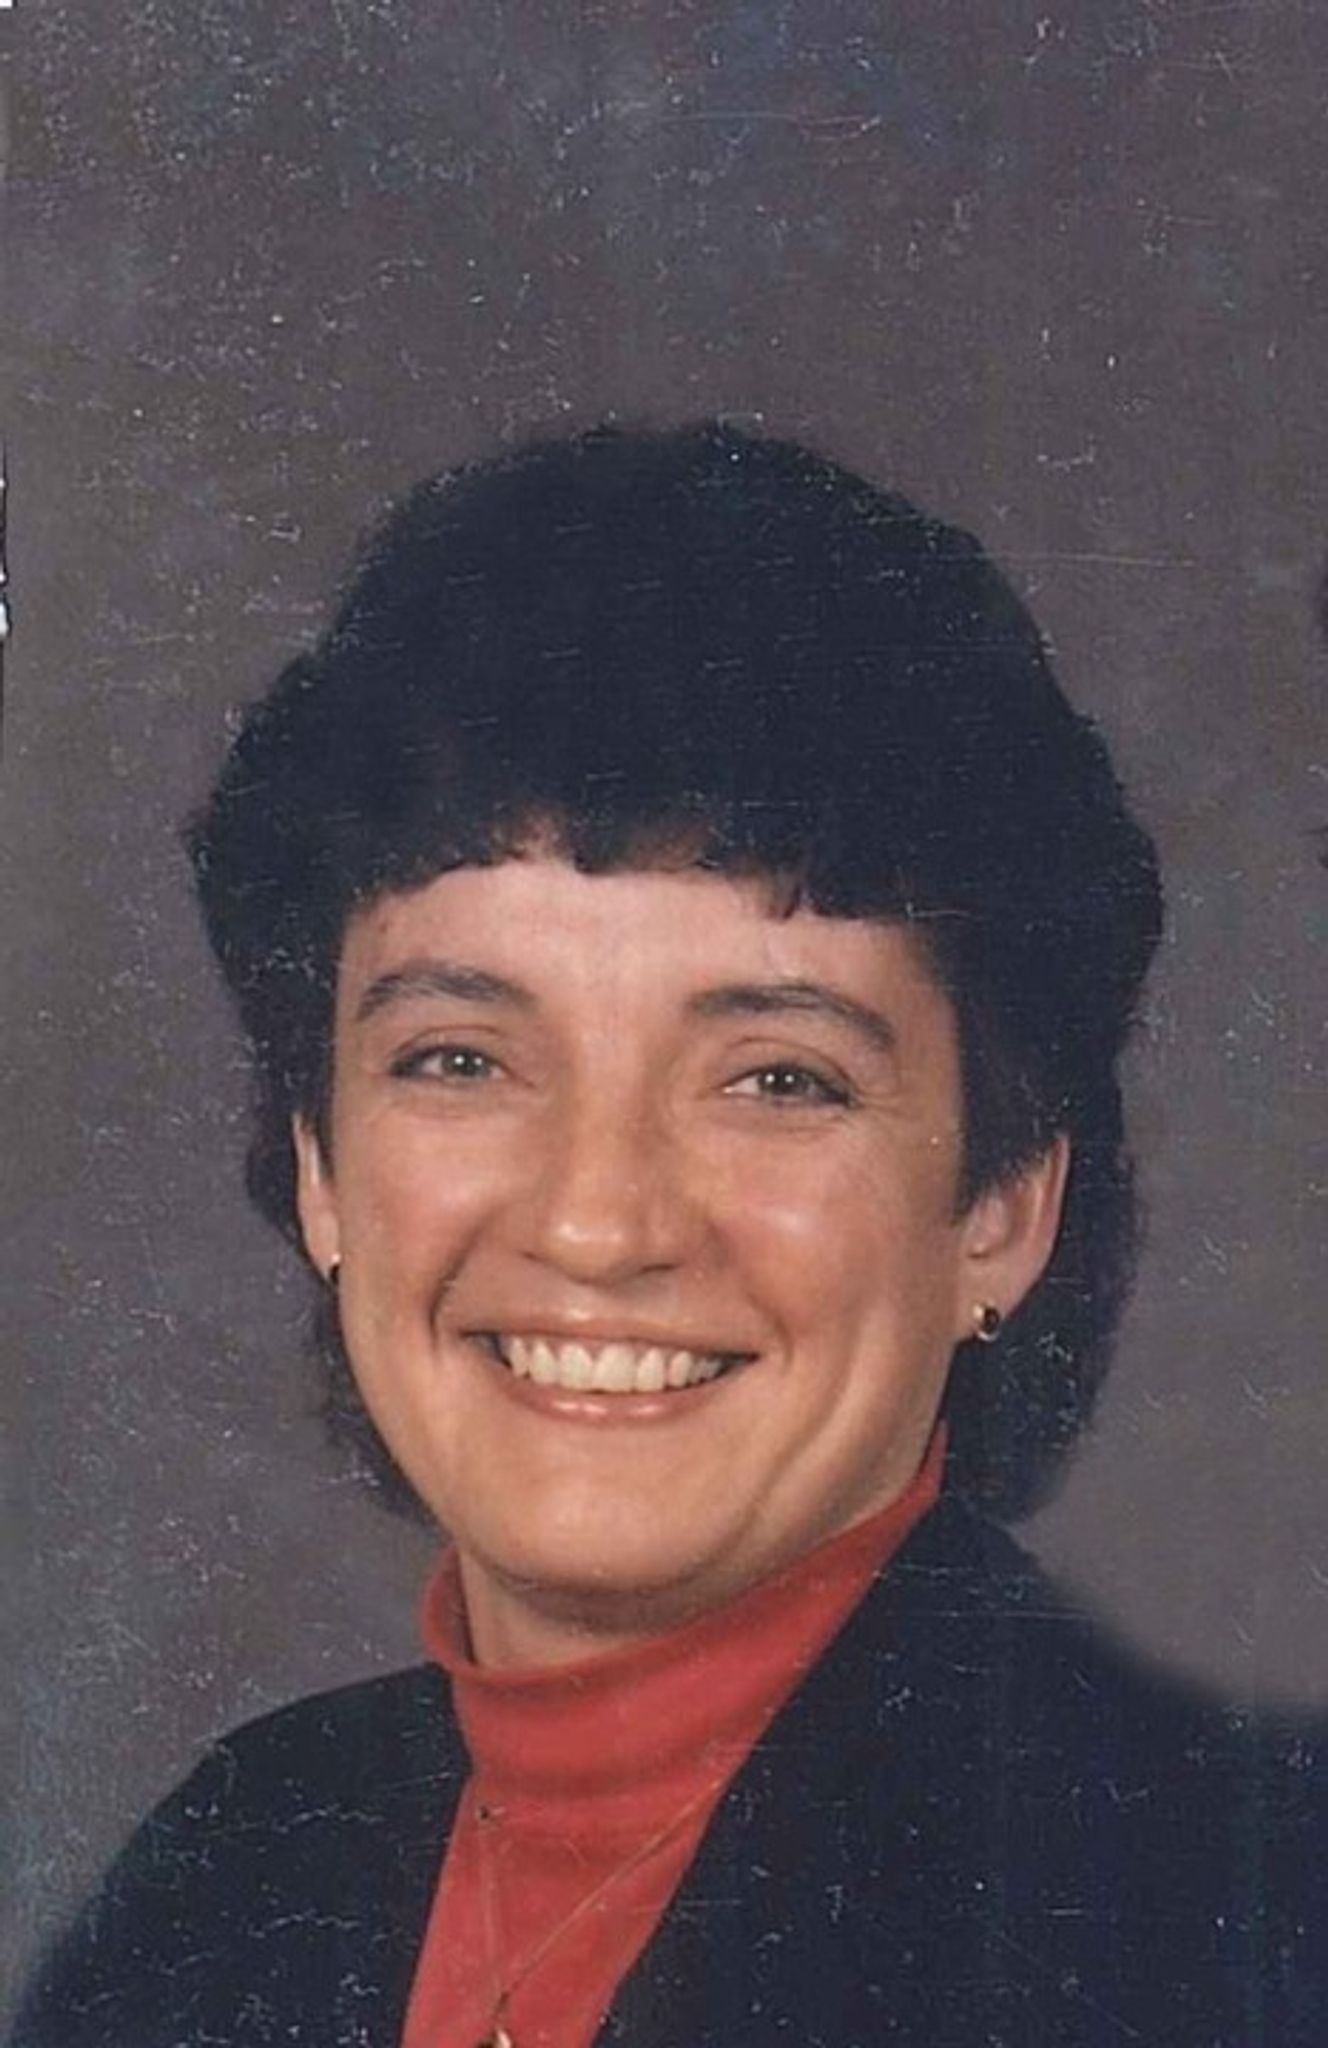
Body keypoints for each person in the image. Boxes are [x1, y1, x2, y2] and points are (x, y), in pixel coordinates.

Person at [13, 424, 1323, 2045]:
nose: (596, 1221)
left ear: (1000, 1206)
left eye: (778, 1079)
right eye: (460, 1060)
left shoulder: (1222, 1920)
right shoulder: (234, 1871)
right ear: (321, 1170)